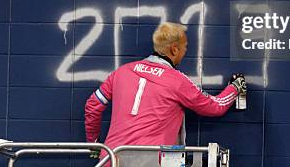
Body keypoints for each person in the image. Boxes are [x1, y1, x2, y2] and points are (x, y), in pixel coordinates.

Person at [84, 22, 247, 163]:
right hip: (151, 161)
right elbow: (215, 106)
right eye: (185, 47)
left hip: (112, 158)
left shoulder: (121, 72)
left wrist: (95, 144)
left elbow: (93, 105)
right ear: (174, 50)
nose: (185, 52)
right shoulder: (177, 80)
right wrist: (235, 86)